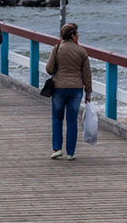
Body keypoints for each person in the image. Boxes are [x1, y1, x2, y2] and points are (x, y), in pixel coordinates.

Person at [46, 22, 91, 160]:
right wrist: (88, 92)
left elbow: (49, 69)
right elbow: (87, 74)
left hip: (59, 88)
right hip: (76, 89)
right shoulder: (81, 51)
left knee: (57, 118)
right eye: (77, 33)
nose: (78, 35)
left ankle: (57, 149)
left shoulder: (57, 48)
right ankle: (71, 153)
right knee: (72, 120)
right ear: (73, 35)